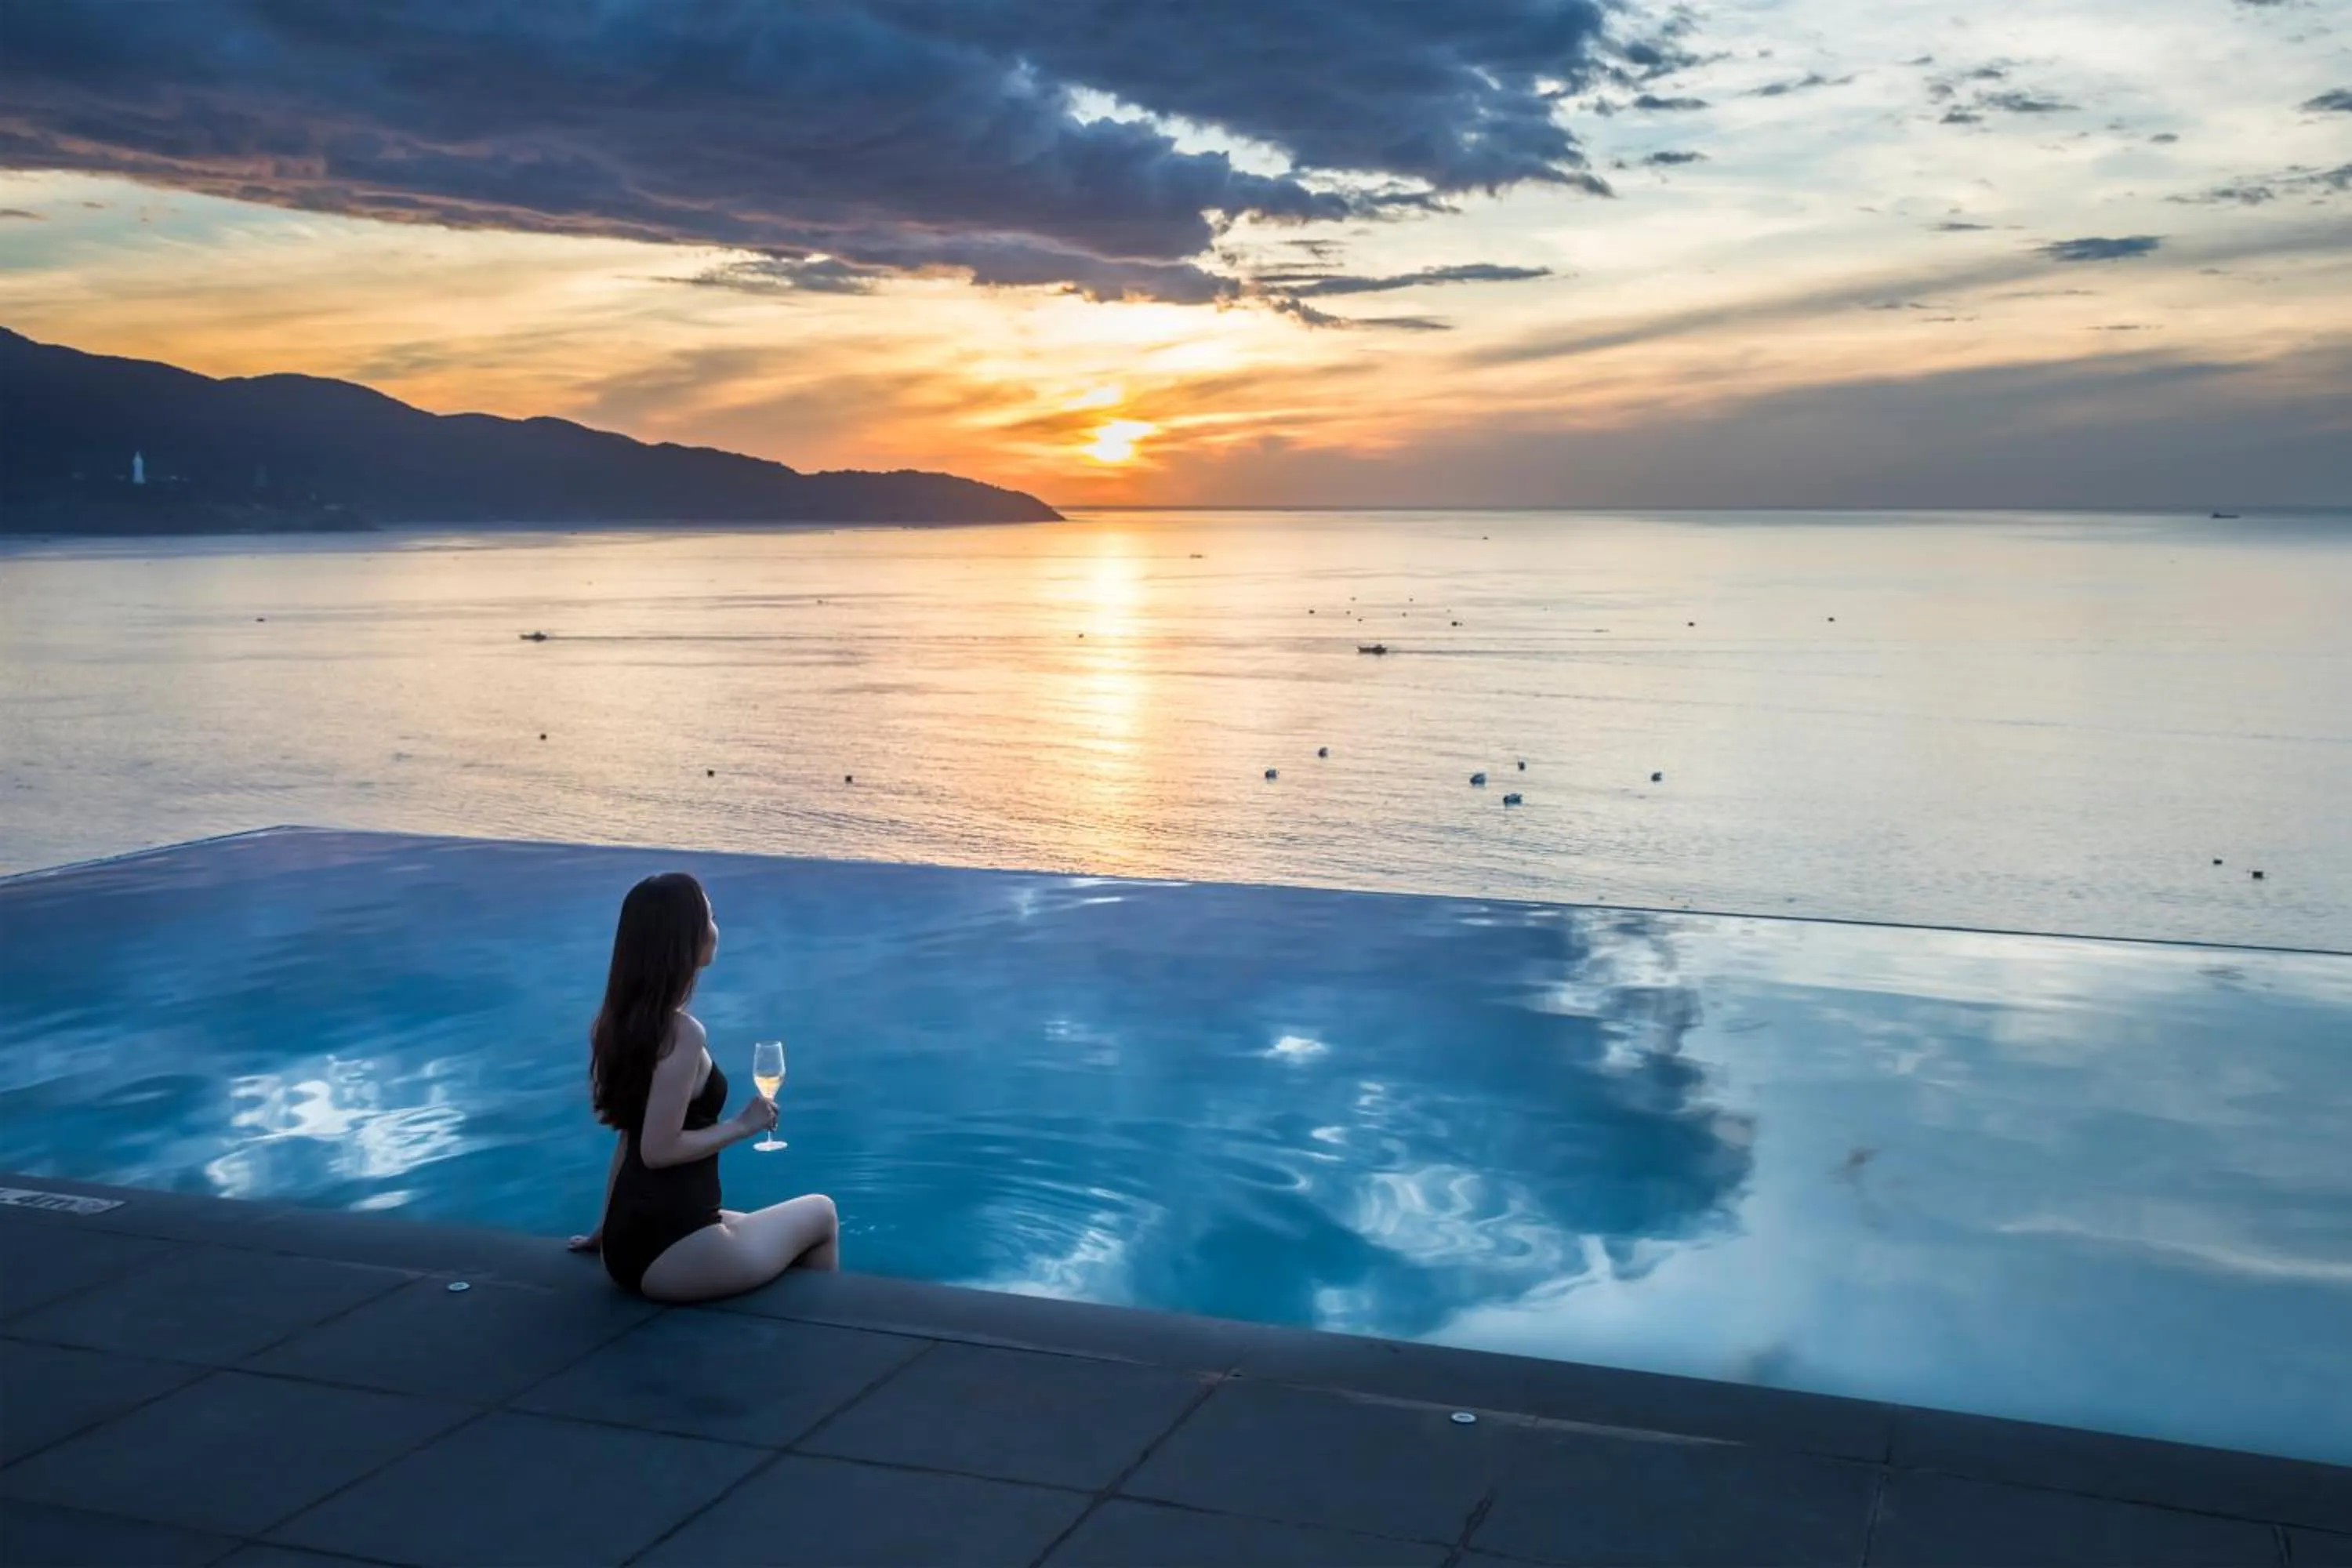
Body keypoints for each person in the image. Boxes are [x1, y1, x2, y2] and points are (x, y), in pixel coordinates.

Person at [567, 872, 839, 1299]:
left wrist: (605, 1228)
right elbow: (657, 1151)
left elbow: (630, 1135)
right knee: (822, 1213)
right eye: (710, 917)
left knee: (761, 1225)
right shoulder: (682, 1034)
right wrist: (743, 1125)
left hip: (626, 1246)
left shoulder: (616, 1025)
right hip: (672, 1249)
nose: (716, 928)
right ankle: (823, 1339)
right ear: (685, 938)